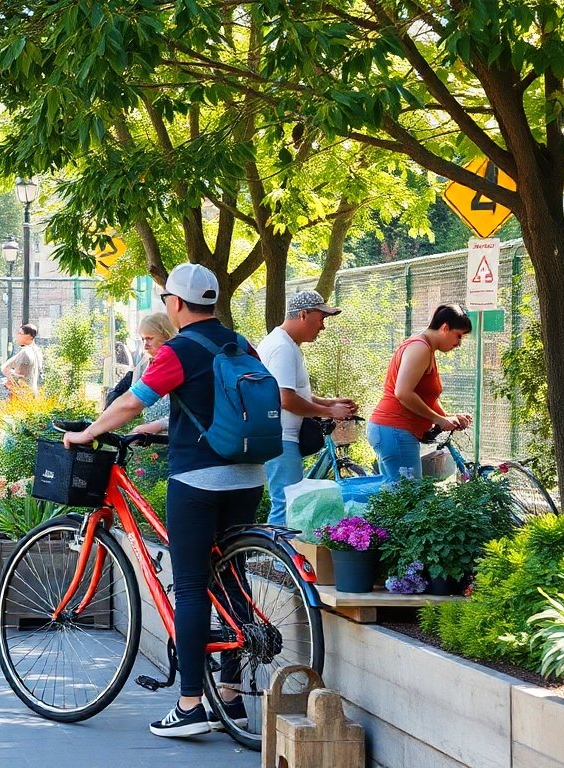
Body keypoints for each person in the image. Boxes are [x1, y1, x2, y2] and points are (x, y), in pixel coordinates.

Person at [63, 263, 262, 738]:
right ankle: (230, 699)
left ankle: (190, 704)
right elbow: (222, 407)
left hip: (198, 479)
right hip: (249, 475)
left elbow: (133, 401)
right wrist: (163, 427)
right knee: (232, 580)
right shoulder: (240, 343)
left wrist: (88, 433)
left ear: (175, 303)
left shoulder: (178, 349)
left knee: (191, 586)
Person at [257, 290, 358, 526]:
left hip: (282, 439)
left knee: (289, 504)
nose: (323, 326)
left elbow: (294, 392)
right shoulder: (282, 347)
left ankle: (279, 550)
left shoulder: (287, 344)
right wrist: (330, 412)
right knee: (287, 505)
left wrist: (329, 402)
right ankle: (278, 551)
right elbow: (285, 399)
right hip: (281, 438)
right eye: (321, 318)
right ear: (303, 315)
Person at [368, 303, 474, 482]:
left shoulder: (426, 348)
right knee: (408, 495)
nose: (459, 344)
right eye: (458, 335)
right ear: (445, 328)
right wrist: (438, 420)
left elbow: (426, 397)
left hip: (393, 431)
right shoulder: (420, 348)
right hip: (395, 429)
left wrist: (448, 417)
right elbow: (403, 393)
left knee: (397, 493)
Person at [104, 312, 176, 433]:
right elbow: (130, 402)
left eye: (150, 338)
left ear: (166, 336)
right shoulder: (146, 365)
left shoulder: (178, 364)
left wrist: (161, 424)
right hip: (153, 438)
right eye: (143, 339)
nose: (145, 345)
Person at [0, 323, 42, 399]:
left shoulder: (25, 352)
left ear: (30, 336)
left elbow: (5, 368)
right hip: (33, 393)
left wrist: (12, 377)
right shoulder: (38, 351)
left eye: (20, 333)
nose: (17, 336)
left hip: (22, 394)